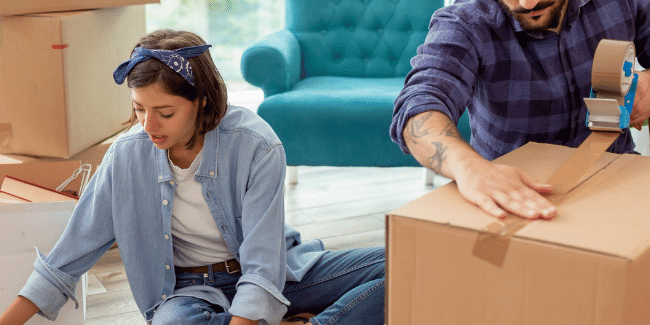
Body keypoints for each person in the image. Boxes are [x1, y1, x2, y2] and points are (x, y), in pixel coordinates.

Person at [0, 29, 385, 325]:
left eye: (165, 113)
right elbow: (66, 259)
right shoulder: (125, 156)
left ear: (201, 99)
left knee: (401, 263)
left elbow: (264, 265)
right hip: (187, 292)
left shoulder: (256, 145)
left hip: (281, 272)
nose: (149, 126)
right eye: (138, 110)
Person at [391, 0, 650, 220]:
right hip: (514, 201)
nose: (527, 4)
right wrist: (467, 166)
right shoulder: (465, 21)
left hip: (619, 174)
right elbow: (419, 104)